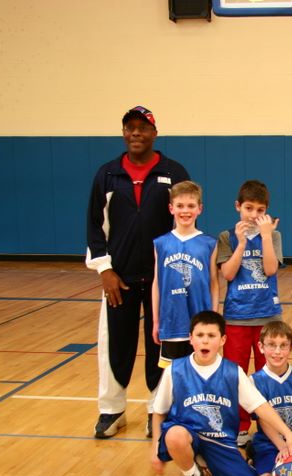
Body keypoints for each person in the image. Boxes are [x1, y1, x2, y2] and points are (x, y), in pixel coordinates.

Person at [86, 105, 191, 439]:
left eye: (142, 128)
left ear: (154, 134)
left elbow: (184, 222)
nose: (135, 133)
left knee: (160, 345)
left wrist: (177, 270)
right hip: (119, 278)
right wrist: (104, 269)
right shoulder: (108, 174)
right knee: (115, 344)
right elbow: (94, 226)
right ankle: (111, 410)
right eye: (129, 128)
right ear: (123, 133)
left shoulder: (174, 172)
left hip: (163, 278)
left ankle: (156, 410)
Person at [150, 311, 292, 476]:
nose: (205, 341)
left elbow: (261, 406)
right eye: (200, 335)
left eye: (211, 336)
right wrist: (155, 448)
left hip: (220, 440)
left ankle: (207, 462)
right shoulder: (174, 370)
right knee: (175, 435)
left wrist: (289, 435)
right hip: (187, 434)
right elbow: (159, 411)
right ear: (191, 338)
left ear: (223, 340)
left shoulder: (233, 372)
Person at [217, 180, 284, 446]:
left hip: (268, 315)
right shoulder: (227, 236)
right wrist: (242, 243)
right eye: (248, 208)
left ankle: (269, 426)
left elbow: (270, 269)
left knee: (268, 374)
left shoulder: (273, 236)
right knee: (237, 375)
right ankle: (241, 426)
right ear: (238, 206)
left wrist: (266, 236)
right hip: (237, 317)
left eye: (260, 210)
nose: (254, 215)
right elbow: (228, 273)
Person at [151, 181, 219, 368]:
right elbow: (157, 283)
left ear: (200, 209)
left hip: (201, 325)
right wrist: (156, 321)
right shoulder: (161, 243)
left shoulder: (209, 243)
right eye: (180, 206)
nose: (185, 211)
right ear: (171, 208)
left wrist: (214, 319)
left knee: (201, 373)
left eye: (191, 206)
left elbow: (214, 283)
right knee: (173, 376)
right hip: (171, 322)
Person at [248, 321, 292, 476]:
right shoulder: (255, 381)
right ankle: (253, 460)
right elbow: (263, 419)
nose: (277, 351)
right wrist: (282, 445)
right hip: (270, 442)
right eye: (271, 345)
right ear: (261, 347)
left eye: (283, 346)